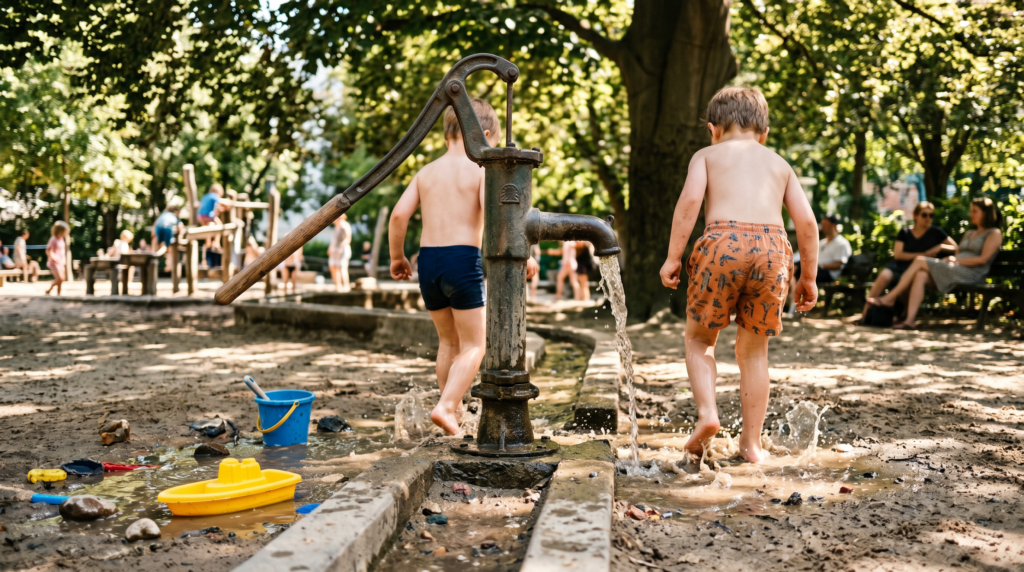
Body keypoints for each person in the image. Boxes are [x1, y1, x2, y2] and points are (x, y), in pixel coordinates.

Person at [659, 86, 818, 464]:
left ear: (712, 128)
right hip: (772, 251)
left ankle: (708, 414)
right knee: (753, 352)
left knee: (699, 340)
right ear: (763, 133)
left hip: (722, 243)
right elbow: (807, 223)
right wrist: (809, 277)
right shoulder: (779, 163)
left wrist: (673, 257)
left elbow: (690, 203)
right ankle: (752, 446)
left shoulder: (707, 155)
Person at [389, 97, 538, 435]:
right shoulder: (480, 170)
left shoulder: (425, 173)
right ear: (483, 135)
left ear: (446, 134)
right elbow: (498, 219)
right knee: (475, 344)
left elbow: (399, 215)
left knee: (448, 343)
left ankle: (448, 412)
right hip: (461, 260)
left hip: (427, 262)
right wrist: (525, 254)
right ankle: (446, 407)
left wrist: (397, 257)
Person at [868, 197, 1003, 329]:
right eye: (971, 211)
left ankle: (890, 298)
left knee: (920, 260)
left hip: (972, 273)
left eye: (975, 211)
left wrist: (955, 260)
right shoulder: (969, 233)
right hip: (956, 269)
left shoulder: (994, 233)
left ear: (985, 213)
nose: (971, 214)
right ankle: (910, 320)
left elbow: (983, 260)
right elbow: (958, 252)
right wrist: (953, 260)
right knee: (921, 274)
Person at [856, 201, 957, 323]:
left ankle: (903, 315)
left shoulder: (937, 232)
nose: (928, 218)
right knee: (883, 276)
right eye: (924, 215)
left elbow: (956, 248)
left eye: (931, 215)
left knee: (914, 278)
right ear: (915, 215)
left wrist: (941, 247)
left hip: (918, 268)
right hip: (898, 265)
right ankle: (864, 315)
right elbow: (898, 255)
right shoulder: (905, 232)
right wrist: (923, 254)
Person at [786, 214, 852, 315]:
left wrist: (820, 265)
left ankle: (793, 303)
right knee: (796, 270)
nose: (823, 227)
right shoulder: (822, 242)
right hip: (814, 269)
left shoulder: (842, 243)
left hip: (827, 273)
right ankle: (795, 305)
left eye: (826, 224)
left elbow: (838, 265)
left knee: (796, 270)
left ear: (834, 225)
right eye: (822, 224)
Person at [328, 214, 353, 291]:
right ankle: (338, 285)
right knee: (333, 267)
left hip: (342, 250)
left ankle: (345, 286)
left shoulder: (344, 225)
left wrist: (341, 247)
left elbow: (348, 239)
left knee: (342, 268)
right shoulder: (337, 227)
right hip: (335, 251)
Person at [45, 221, 70, 295]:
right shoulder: (53, 239)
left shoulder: (61, 239)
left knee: (62, 279)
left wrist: (63, 261)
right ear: (60, 230)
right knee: (60, 278)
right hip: (54, 263)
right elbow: (49, 251)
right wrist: (56, 259)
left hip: (60, 263)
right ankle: (49, 289)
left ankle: (59, 293)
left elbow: (62, 252)